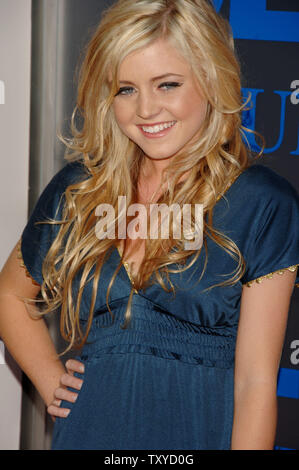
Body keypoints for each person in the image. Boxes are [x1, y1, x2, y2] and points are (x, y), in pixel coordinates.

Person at [0, 0, 298, 451]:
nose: (145, 109)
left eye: (167, 84)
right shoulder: (80, 189)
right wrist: (51, 380)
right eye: (126, 89)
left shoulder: (262, 203)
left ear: (211, 80)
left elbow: (255, 384)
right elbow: (10, 294)